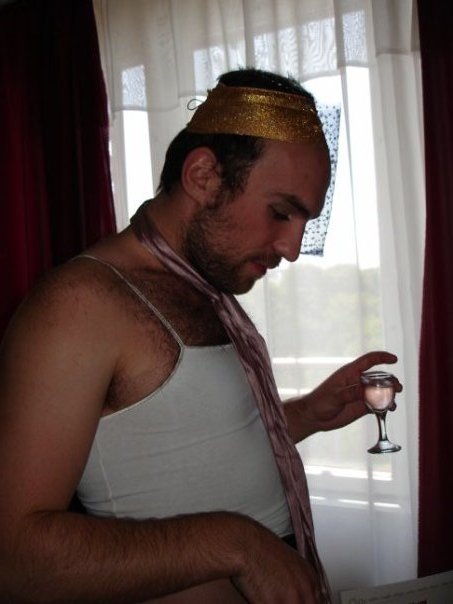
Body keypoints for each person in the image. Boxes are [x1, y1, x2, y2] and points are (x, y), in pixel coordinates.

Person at [0, 68, 400, 604]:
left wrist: (307, 414)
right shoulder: (79, 304)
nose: (292, 248)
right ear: (204, 176)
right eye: (281, 212)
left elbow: (189, 449)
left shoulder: (205, 290)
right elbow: (13, 558)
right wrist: (237, 545)